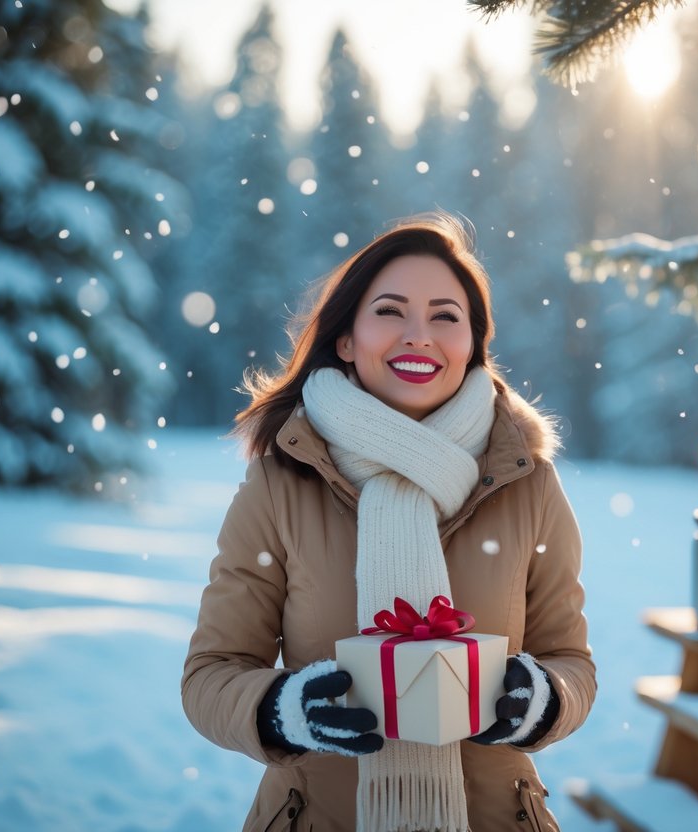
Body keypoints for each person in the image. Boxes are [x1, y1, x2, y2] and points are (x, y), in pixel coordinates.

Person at [181, 211, 595, 832]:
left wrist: (545, 700)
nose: (419, 336)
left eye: (445, 317)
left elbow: (570, 659)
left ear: (472, 348)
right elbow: (212, 674)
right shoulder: (281, 482)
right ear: (346, 339)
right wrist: (280, 711)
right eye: (391, 311)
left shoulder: (527, 482)